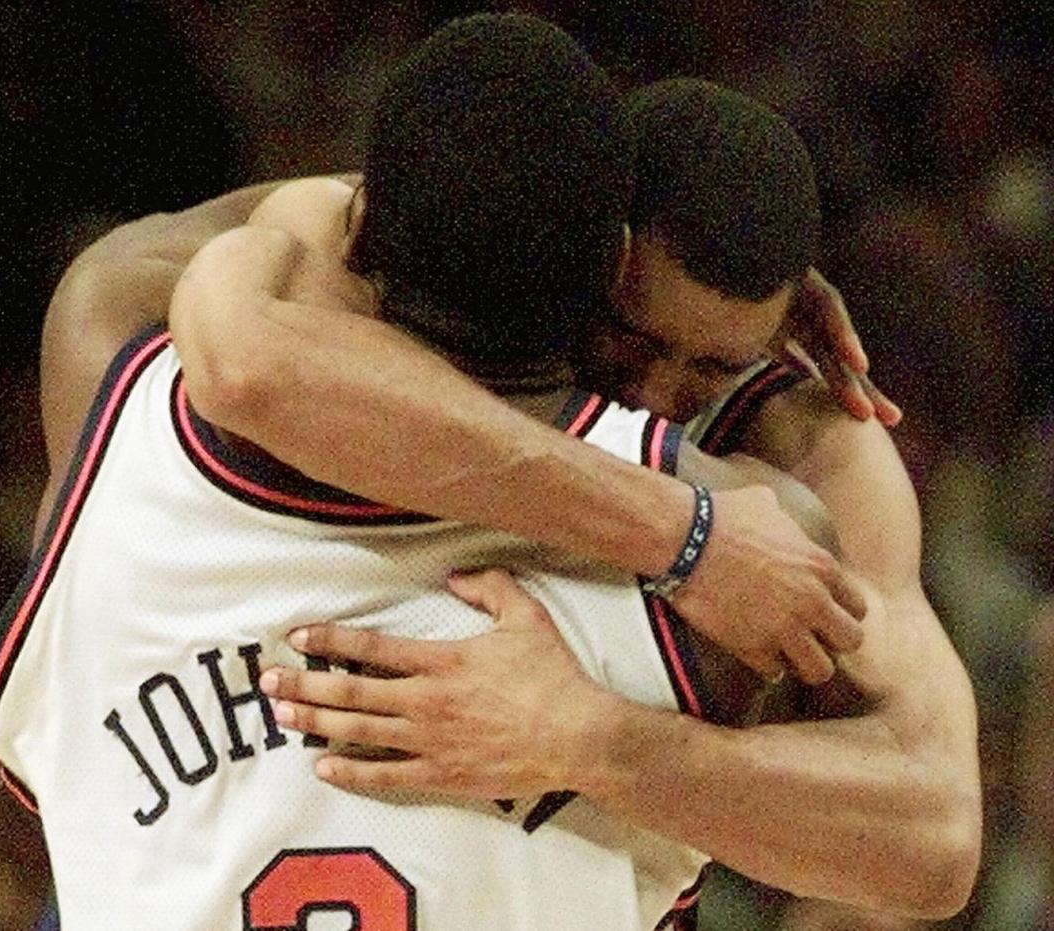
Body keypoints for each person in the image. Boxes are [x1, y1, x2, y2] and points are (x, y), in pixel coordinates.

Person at [0, 15, 759, 929]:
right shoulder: (726, 529)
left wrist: (384, 190)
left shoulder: (109, 360)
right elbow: (925, 836)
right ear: (616, 268)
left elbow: (152, 260)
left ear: (366, 224)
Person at [170, 79, 980, 919]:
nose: (660, 397)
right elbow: (226, 341)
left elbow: (936, 841)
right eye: (632, 337)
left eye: (713, 369)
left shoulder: (805, 453)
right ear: (582, 252)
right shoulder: (377, 284)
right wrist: (683, 534)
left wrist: (587, 738)